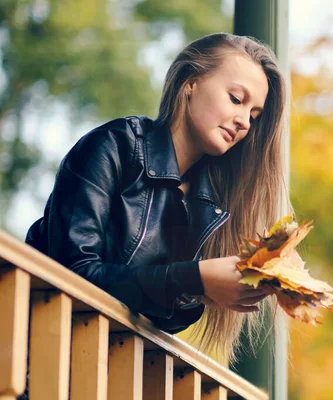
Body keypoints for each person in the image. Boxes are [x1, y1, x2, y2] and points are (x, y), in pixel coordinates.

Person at [25, 33, 290, 364]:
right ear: (190, 83)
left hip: (103, 370)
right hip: (31, 355)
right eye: (236, 99)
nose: (243, 122)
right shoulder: (115, 147)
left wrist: (201, 287)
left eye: (253, 115)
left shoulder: (209, 206)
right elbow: (72, 273)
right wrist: (195, 278)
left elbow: (160, 320)